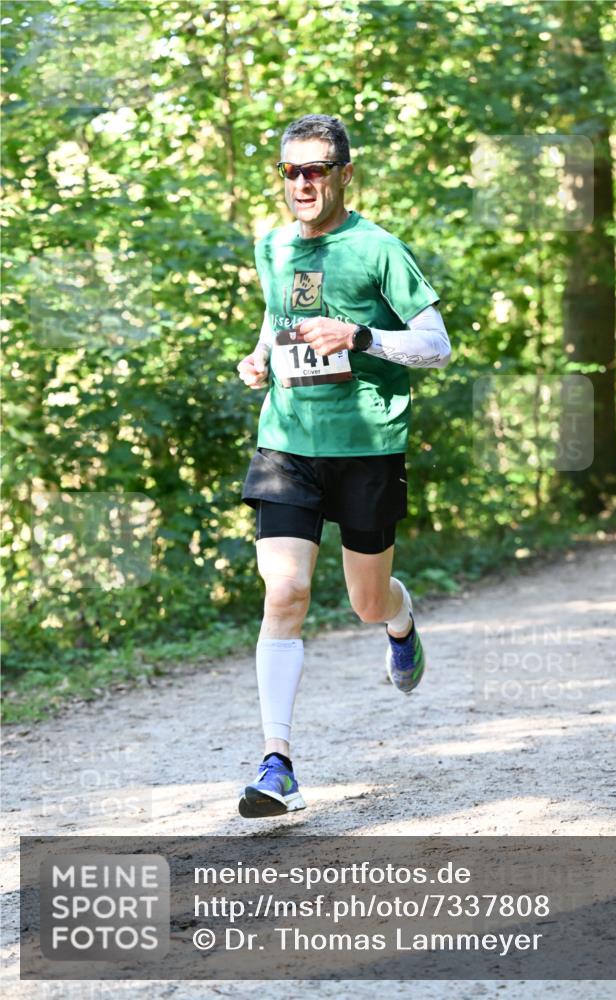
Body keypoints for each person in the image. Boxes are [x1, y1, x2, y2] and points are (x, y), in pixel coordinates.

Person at [236, 114, 451, 819]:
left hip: (367, 450)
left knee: (365, 601)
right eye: (290, 171)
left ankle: (399, 618)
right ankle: (278, 763)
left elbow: (435, 345)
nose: (301, 182)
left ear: (343, 174)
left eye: (315, 170)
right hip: (287, 444)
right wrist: (261, 356)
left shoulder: (377, 248)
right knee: (286, 591)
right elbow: (276, 317)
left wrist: (358, 335)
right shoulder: (270, 244)